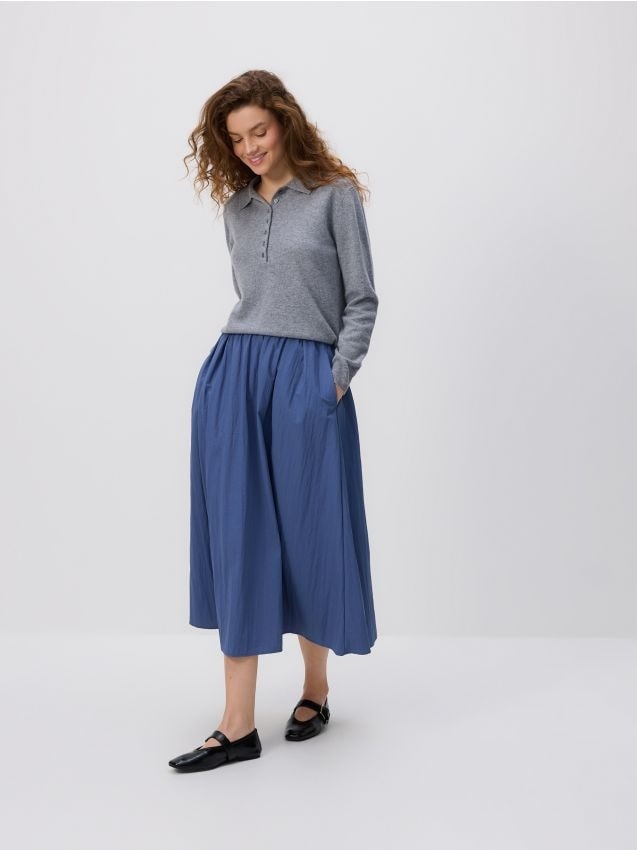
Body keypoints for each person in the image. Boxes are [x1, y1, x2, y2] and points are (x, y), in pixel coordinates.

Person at [169, 69, 379, 772]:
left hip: (306, 378)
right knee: (241, 538)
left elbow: (361, 299)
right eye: (236, 139)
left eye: (258, 130)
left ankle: (316, 689)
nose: (250, 147)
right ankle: (236, 725)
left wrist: (334, 379)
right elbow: (250, 298)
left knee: (311, 531)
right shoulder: (236, 208)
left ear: (285, 121)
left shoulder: (333, 196)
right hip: (235, 376)